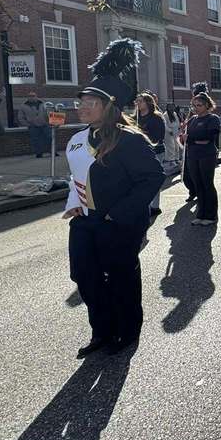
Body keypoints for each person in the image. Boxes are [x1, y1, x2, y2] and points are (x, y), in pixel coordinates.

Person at [63, 40, 164, 357]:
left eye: (90, 101)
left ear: (109, 106)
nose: (82, 106)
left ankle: (127, 331)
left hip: (118, 222)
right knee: (84, 275)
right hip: (85, 221)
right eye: (82, 101)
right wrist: (73, 204)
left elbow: (152, 177)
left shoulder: (129, 139)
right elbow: (76, 176)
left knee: (120, 277)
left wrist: (117, 214)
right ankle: (102, 331)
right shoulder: (79, 139)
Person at [184, 88, 221, 226]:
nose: (196, 108)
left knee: (207, 184)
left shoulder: (213, 119)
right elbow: (185, 138)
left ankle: (211, 215)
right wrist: (186, 138)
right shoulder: (192, 119)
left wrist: (191, 139)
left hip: (207, 155)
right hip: (192, 155)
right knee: (197, 184)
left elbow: (207, 138)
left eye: (199, 105)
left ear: (207, 105)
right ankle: (200, 213)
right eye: (194, 105)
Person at [135, 92, 166, 217]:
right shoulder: (134, 117)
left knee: (153, 179)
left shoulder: (156, 117)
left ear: (148, 102)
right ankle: (144, 205)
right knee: (141, 181)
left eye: (140, 101)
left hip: (155, 152)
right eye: (137, 101)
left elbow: (159, 136)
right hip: (139, 153)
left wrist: (144, 141)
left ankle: (155, 206)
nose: (138, 103)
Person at [17, 92, 50, 158]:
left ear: (36, 96)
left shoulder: (43, 104)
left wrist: (49, 122)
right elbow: (20, 117)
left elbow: (49, 113)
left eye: (33, 96)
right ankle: (39, 153)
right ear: (27, 97)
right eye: (30, 96)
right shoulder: (23, 106)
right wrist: (27, 124)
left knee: (49, 138)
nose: (32, 97)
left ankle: (53, 152)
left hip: (45, 125)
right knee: (35, 140)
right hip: (33, 126)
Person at [163, 103, 182, 170]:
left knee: (177, 146)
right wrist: (169, 131)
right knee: (171, 146)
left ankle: (176, 159)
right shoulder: (165, 115)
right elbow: (165, 124)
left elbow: (177, 122)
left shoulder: (174, 113)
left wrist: (179, 127)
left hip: (176, 131)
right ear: (167, 108)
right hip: (169, 133)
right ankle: (171, 161)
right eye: (170, 107)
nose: (172, 108)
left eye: (173, 107)